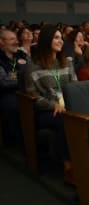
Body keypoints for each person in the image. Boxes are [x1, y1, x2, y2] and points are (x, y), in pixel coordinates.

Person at [25, 25, 77, 181]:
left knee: (81, 118)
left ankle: (87, 162)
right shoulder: (33, 67)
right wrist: (52, 105)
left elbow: (75, 86)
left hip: (68, 107)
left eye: (61, 38)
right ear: (46, 40)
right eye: (56, 37)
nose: (60, 41)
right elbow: (33, 96)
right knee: (64, 121)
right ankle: (68, 166)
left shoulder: (67, 63)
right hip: (47, 111)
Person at [0, 29, 29, 145]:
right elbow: (4, 82)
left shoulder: (21, 54)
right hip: (7, 94)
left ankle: (32, 139)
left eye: (16, 39)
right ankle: (18, 142)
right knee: (15, 106)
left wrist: (15, 76)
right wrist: (23, 76)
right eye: (12, 39)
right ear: (1, 42)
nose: (16, 42)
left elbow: (32, 71)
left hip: (25, 91)